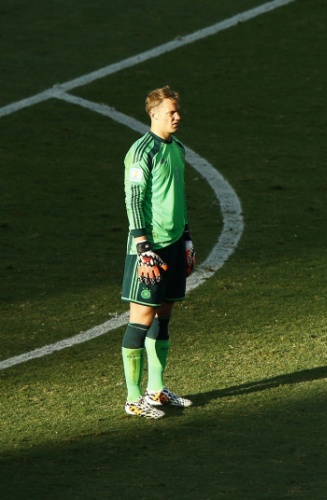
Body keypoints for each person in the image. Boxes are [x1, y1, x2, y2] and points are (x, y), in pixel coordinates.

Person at [120, 86, 196, 418]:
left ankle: (156, 390)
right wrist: (142, 248)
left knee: (164, 316)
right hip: (150, 249)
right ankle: (133, 398)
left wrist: (187, 239)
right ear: (154, 114)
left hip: (175, 244)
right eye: (171, 112)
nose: (177, 117)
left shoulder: (177, 148)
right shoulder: (141, 152)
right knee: (141, 319)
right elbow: (134, 200)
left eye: (177, 111)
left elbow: (178, 196)